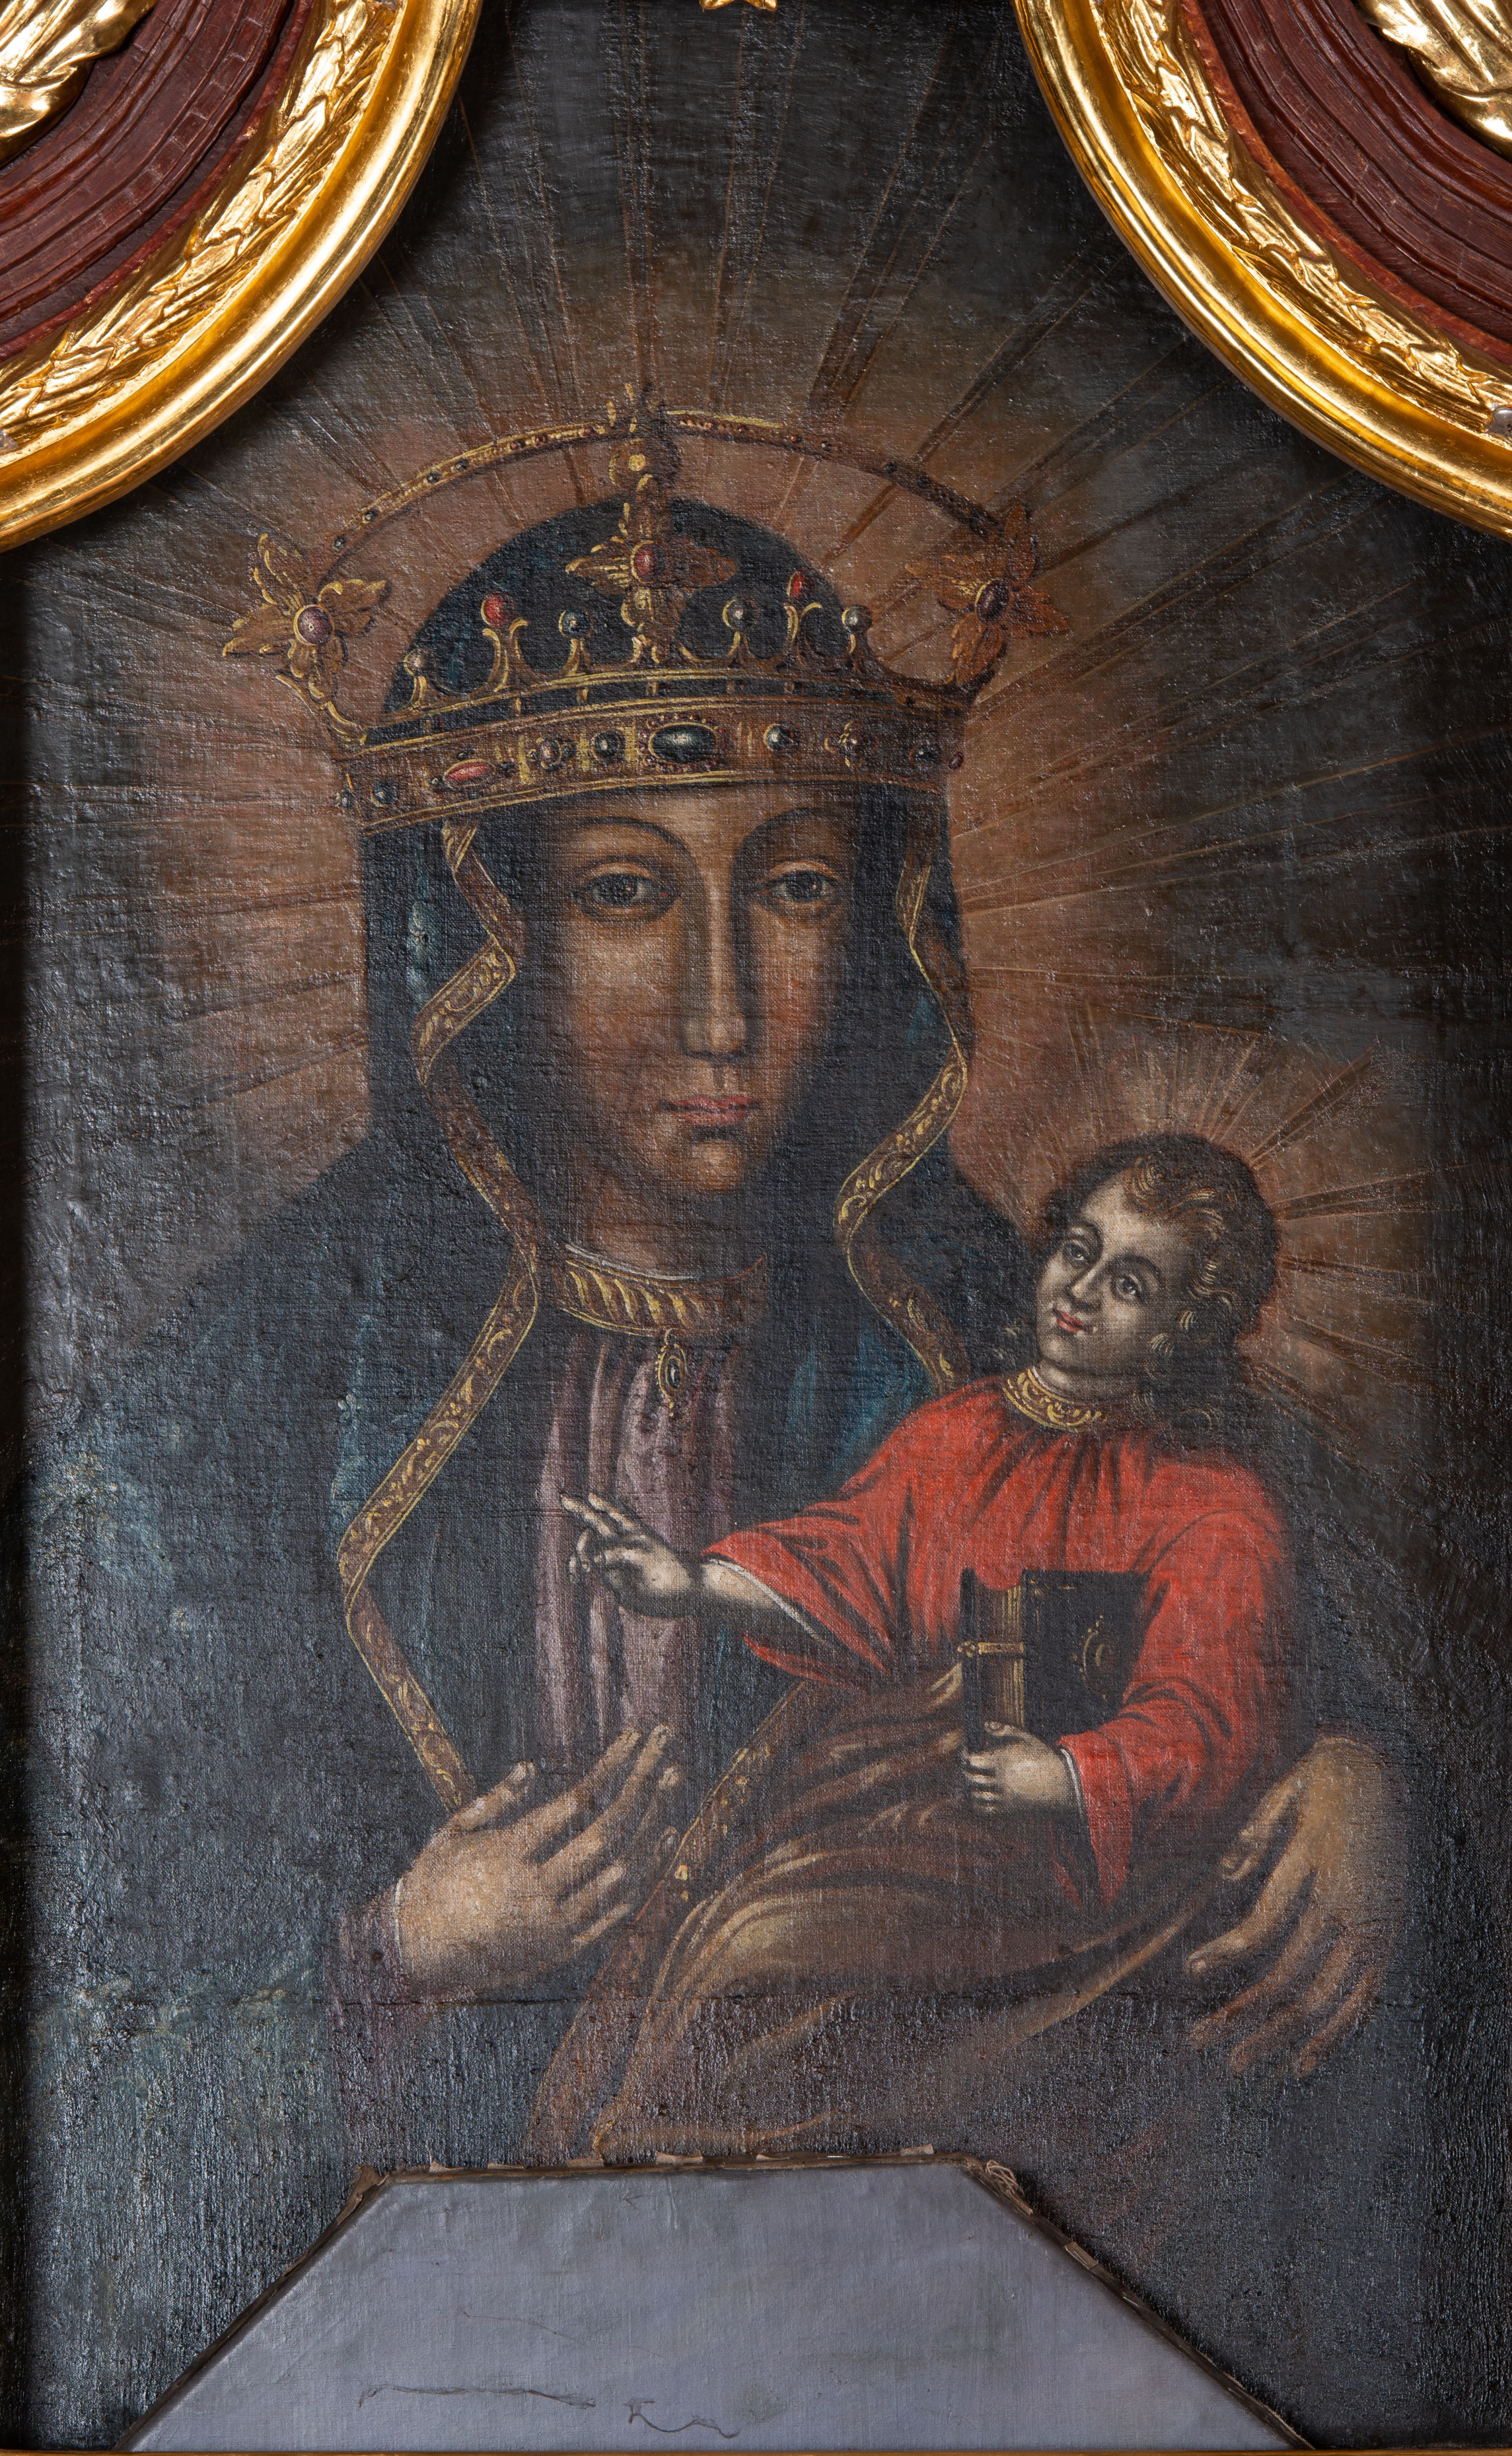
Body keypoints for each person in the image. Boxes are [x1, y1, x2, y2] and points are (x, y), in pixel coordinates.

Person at [10, 406, 1442, 2446]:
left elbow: (1269, 1654)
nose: (720, 1004)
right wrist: (398, 1958)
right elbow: (70, 2066)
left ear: (883, 929)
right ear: (480, 943)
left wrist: (1361, 1783)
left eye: (791, 887)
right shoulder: (237, 1419)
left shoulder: (998, 1323)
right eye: (621, 893)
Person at [560, 1133, 1297, 1925]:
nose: (1080, 1290)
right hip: (903, 1807)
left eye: (1129, 1285)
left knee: (754, 1940)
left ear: (1181, 1327)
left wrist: (1065, 1776)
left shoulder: (1212, 1504)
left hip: (1061, 1873)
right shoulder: (960, 1430)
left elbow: (1209, 1724)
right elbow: (848, 1567)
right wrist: (691, 1583)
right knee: (729, 1917)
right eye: (1078, 1251)